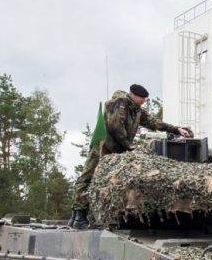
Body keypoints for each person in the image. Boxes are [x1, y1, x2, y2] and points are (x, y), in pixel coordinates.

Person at [70, 84, 192, 229]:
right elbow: (115, 126)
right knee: (88, 177)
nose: (143, 102)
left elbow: (153, 123)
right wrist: (129, 146)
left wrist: (176, 129)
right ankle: (79, 215)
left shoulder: (136, 110)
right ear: (133, 95)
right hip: (103, 147)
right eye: (142, 99)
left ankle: (85, 217)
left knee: (107, 181)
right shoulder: (120, 104)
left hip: (117, 151)